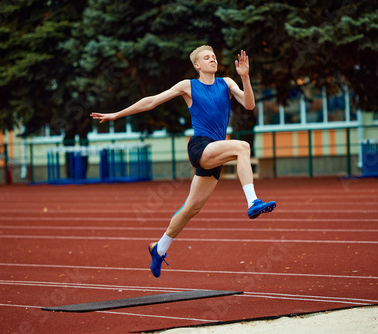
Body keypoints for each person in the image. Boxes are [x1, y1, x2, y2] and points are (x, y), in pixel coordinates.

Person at [90, 45, 276, 278]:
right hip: (200, 146)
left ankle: (159, 248)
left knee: (191, 208)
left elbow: (249, 105)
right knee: (242, 147)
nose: (212, 60)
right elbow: (152, 101)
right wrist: (117, 115)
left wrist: (245, 78)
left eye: (214, 57)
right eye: (207, 58)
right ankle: (252, 202)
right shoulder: (188, 86)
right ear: (197, 65)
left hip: (215, 151)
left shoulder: (227, 83)